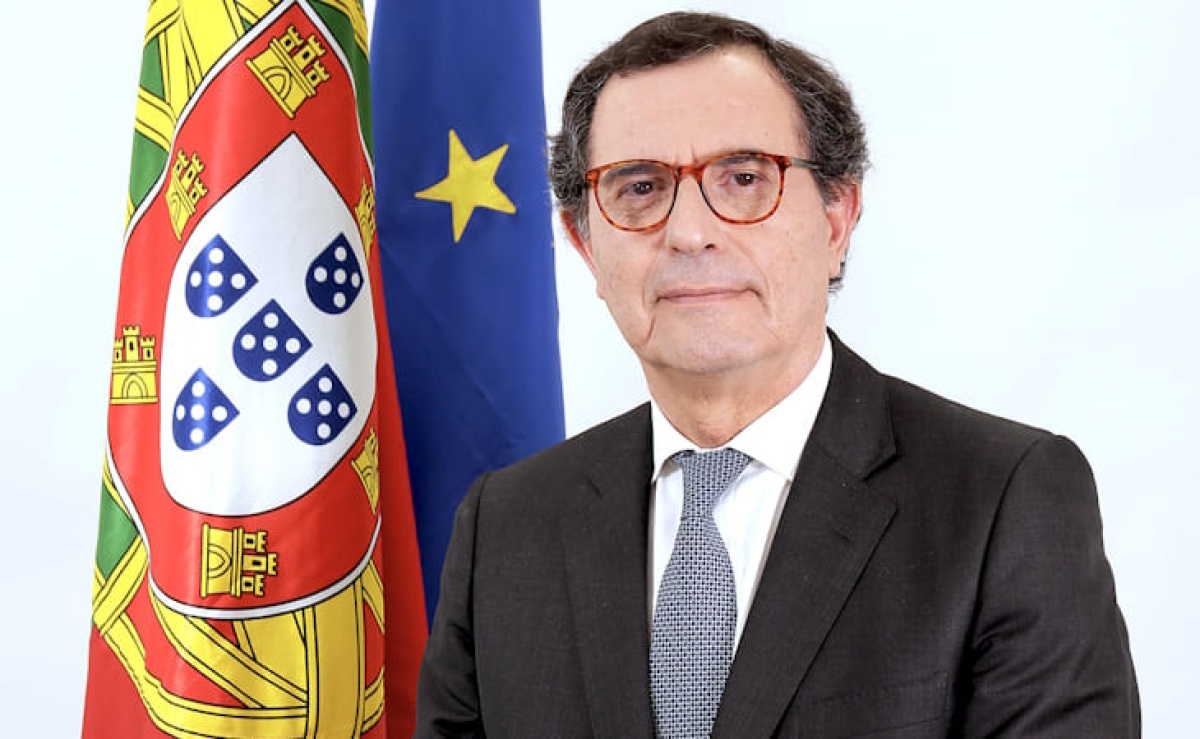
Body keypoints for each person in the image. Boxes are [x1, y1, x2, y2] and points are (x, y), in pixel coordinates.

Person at [414, 11, 1139, 737]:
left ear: (836, 219)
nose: (689, 232)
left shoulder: (1002, 500)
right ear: (584, 243)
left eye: (744, 178)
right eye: (639, 187)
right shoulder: (504, 528)